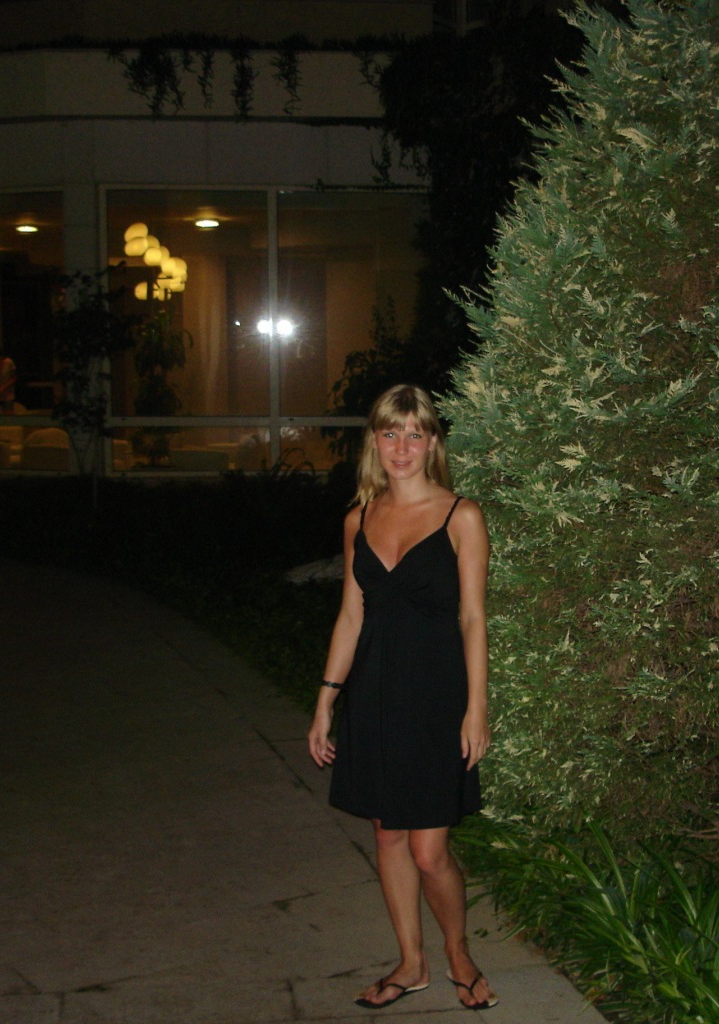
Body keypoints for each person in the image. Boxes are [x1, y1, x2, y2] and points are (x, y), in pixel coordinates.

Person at [308, 383, 498, 1012]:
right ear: (374, 441)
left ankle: (457, 953)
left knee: (428, 849)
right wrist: (326, 700)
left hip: (436, 699)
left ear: (433, 442)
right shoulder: (358, 520)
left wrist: (476, 708)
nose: (402, 446)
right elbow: (350, 615)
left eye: (415, 433)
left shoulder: (461, 516)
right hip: (373, 698)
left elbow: (473, 618)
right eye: (390, 433)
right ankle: (411, 963)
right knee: (388, 836)